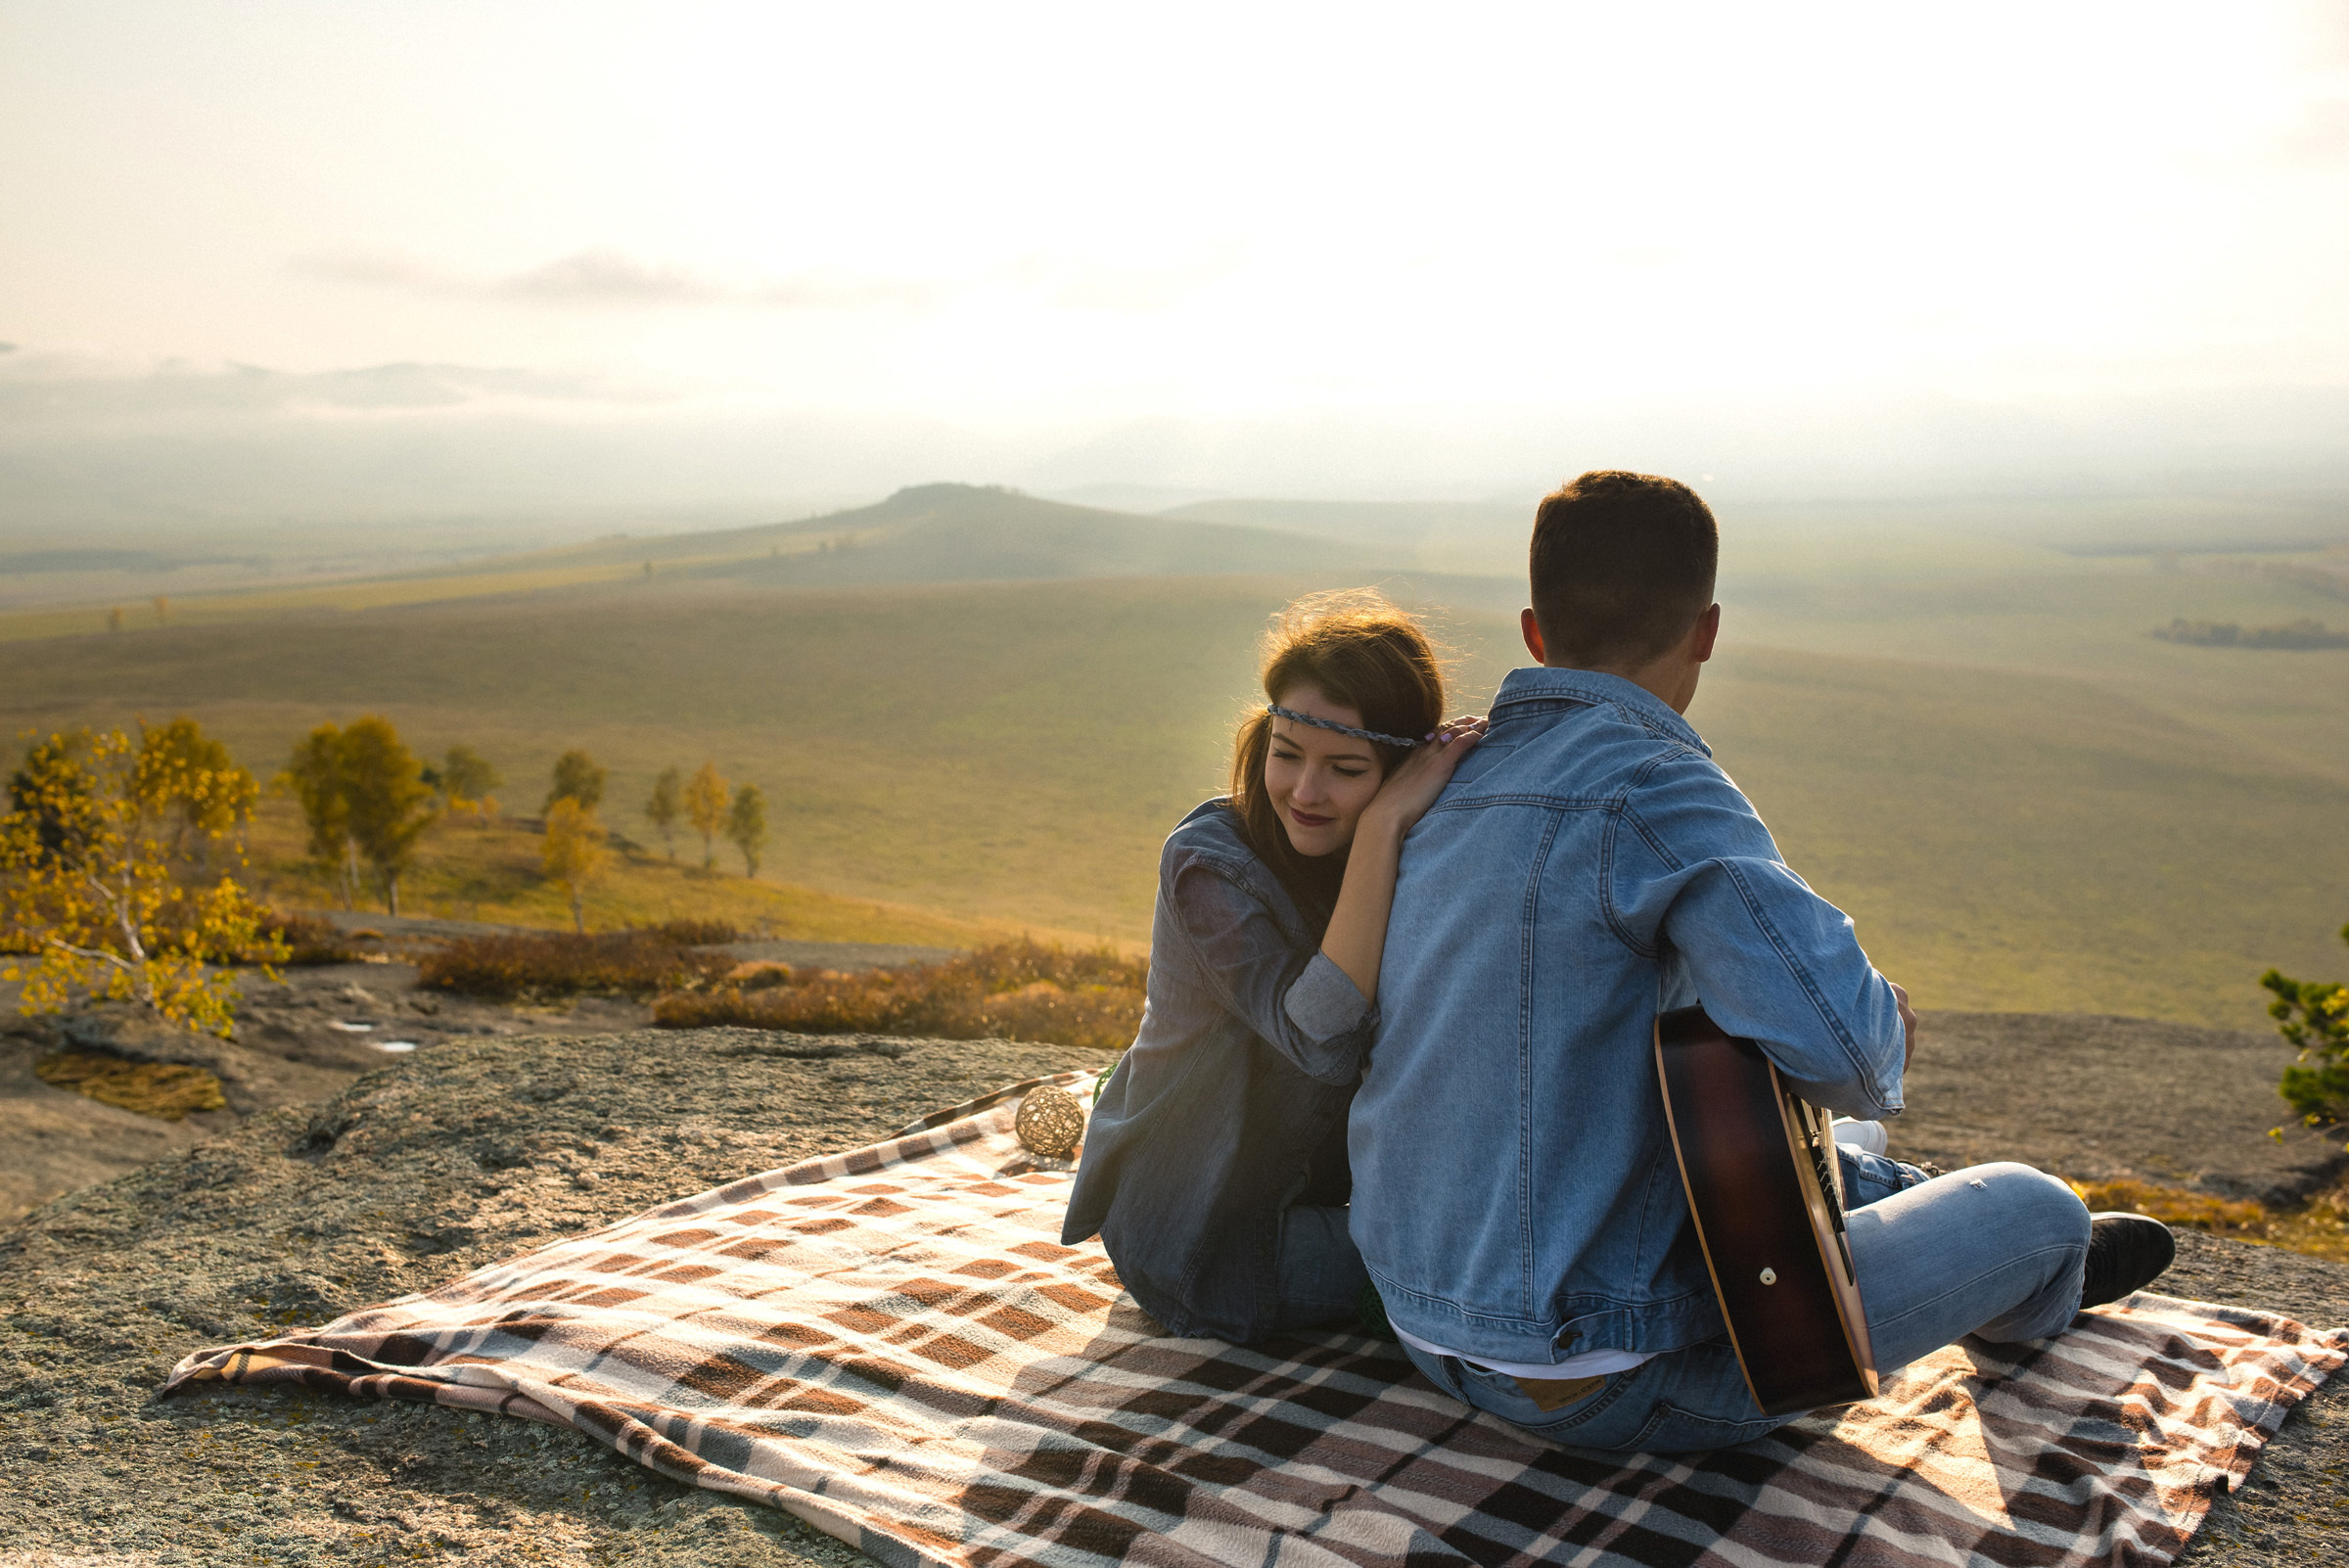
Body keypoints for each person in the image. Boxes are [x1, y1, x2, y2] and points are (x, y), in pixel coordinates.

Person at [1349, 471, 2175, 1453]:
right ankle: (2042, 1296)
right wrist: (1879, 1019)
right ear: (1706, 630)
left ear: (1534, 631)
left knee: (1841, 1157)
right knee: (2040, 1208)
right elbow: (1853, 1060)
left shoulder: (1452, 774)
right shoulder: (1658, 786)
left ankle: (1914, 1212)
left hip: (1423, 1324)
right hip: (1598, 1376)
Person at [1063, 590, 1485, 1344]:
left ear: (1401, 767)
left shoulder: (1413, 853)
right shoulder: (1209, 864)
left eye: (1346, 769)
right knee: (1490, 1274)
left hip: (1332, 1197)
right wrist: (1384, 822)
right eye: (1286, 755)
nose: (1305, 792)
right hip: (1206, 1233)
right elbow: (1319, 1042)